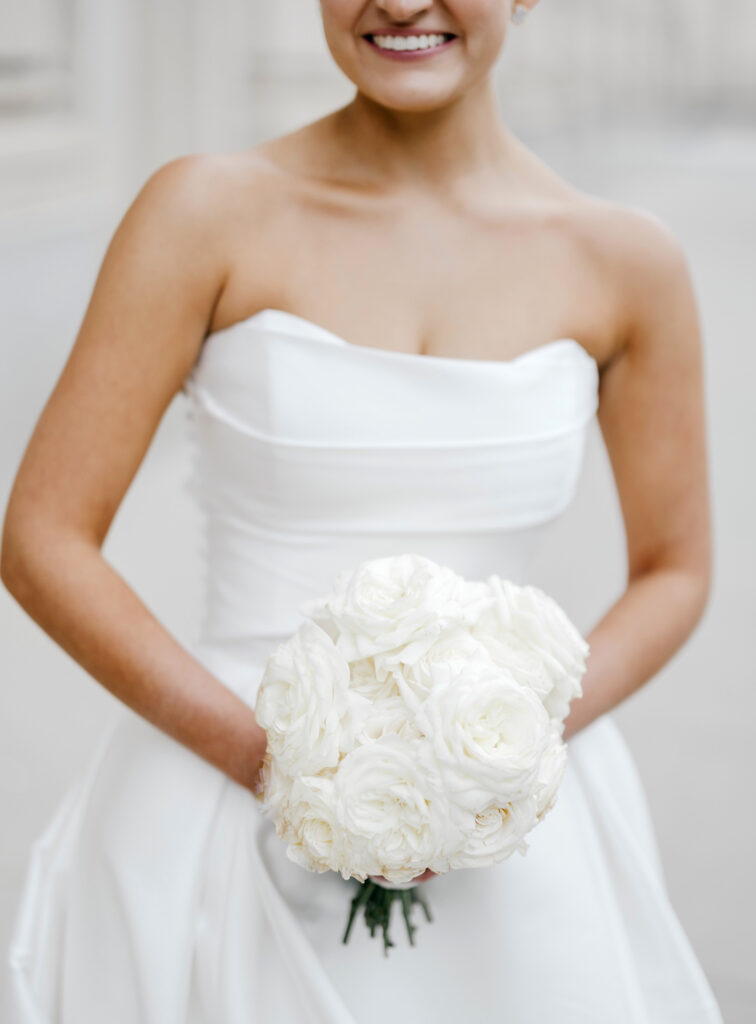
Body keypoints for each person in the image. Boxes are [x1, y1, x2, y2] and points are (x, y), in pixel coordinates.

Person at [1, 0, 725, 1021]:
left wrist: (490, 757)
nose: (399, 1)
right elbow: (42, 537)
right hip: (218, 798)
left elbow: (675, 567)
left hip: (517, 830)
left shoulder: (626, 261)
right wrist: (283, 768)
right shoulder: (201, 213)